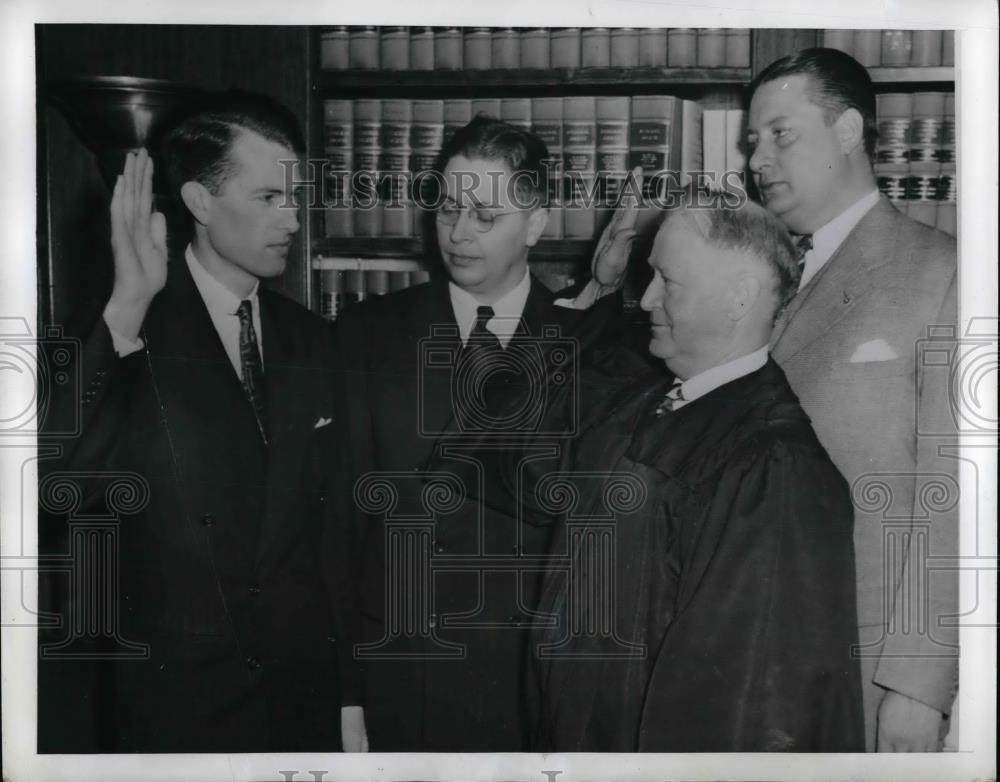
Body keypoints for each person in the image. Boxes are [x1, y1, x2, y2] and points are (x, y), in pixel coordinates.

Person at [37, 92, 365, 753]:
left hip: (299, 707)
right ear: (199, 203)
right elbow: (56, 484)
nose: (294, 218)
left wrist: (351, 696)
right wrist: (130, 301)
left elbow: (337, 542)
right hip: (171, 714)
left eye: (295, 197)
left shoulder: (314, 341)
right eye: (270, 197)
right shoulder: (120, 328)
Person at [494, 196, 863, 751]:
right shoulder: (640, 403)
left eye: (668, 280)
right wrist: (596, 290)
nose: (645, 299)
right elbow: (497, 448)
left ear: (739, 297)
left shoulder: (773, 466)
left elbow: (751, 712)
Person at [331, 115, 633, 751]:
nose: (459, 234)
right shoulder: (367, 336)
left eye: (485, 216)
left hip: (526, 686)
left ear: (535, 224)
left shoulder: (581, 343)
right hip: (401, 673)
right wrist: (346, 693)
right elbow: (338, 529)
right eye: (446, 211)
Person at [745, 48, 959, 752]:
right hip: (757, 659)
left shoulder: (942, 271)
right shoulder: (757, 275)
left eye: (781, 134)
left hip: (871, 671)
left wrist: (919, 686)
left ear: (847, 132)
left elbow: (956, 490)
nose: (758, 160)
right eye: (752, 142)